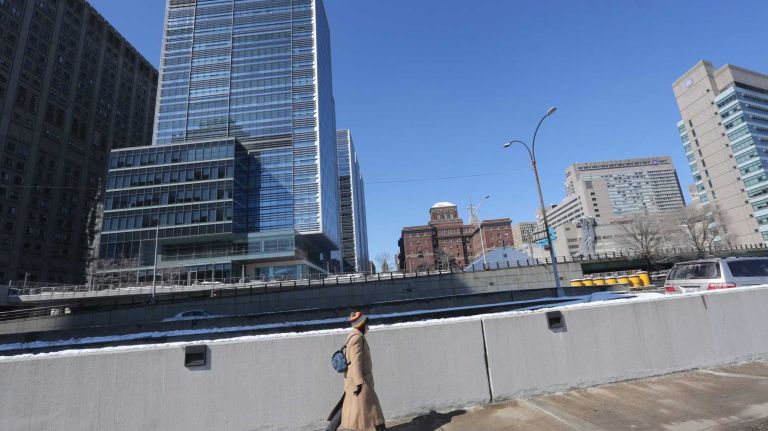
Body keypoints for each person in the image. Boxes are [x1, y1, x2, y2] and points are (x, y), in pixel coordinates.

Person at [339, 311, 386, 431]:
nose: (368, 328)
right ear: (361, 325)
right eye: (366, 324)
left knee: (349, 407)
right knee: (374, 408)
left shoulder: (354, 336)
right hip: (360, 380)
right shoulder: (357, 339)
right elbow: (355, 362)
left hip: (356, 379)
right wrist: (360, 383)